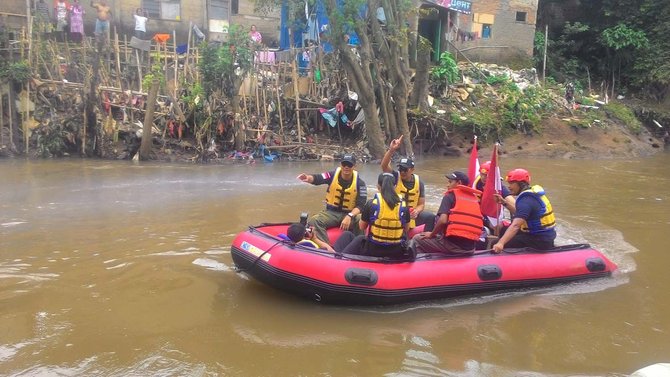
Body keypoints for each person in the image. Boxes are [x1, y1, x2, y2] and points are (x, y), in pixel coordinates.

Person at [297, 154, 367, 244]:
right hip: (331, 213)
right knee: (314, 221)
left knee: (361, 219)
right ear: (340, 165)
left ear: (354, 166)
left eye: (349, 165)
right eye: (344, 164)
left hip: (350, 214)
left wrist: (349, 216)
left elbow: (361, 205)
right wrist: (308, 178)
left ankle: (359, 246)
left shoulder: (360, 183)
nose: (346, 167)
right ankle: (326, 248)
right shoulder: (331, 175)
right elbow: (318, 178)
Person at [410, 171, 483, 254]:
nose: (447, 185)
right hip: (470, 248)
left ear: (459, 183)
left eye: (450, 182)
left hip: (453, 246)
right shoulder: (474, 199)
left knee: (417, 238)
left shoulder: (449, 197)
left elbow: (443, 221)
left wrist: (431, 234)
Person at [338, 173, 410, 258]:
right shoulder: (404, 206)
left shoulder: (371, 203)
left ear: (378, 186)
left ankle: (337, 259)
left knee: (351, 235)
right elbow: (406, 228)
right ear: (395, 186)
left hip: (373, 250)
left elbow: (362, 227)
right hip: (396, 251)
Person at [492, 169, 556, 252]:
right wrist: (504, 203)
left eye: (511, 183)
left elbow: (516, 226)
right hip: (542, 236)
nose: (509, 187)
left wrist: (500, 243)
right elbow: (521, 214)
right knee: (503, 229)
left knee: (495, 242)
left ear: (520, 184)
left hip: (539, 240)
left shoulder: (526, 200)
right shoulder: (532, 194)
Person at [381, 135, 435, 231]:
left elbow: (421, 204)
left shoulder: (419, 183)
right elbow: (384, 166)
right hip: (396, 213)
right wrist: (391, 150)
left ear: (412, 170)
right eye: (400, 169)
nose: (402, 172)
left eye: (405, 169)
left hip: (411, 215)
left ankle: (424, 240)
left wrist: (416, 211)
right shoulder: (395, 177)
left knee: (430, 217)